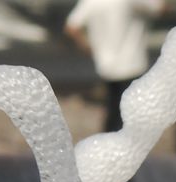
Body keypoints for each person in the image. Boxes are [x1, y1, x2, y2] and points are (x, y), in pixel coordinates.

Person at [64, 0, 165, 135]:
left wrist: (87, 47)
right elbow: (160, 8)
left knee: (113, 110)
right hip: (132, 64)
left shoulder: (91, 2)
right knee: (130, 116)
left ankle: (108, 146)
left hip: (106, 66)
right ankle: (124, 149)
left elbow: (71, 27)